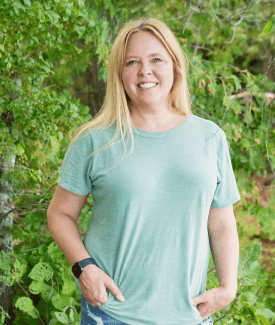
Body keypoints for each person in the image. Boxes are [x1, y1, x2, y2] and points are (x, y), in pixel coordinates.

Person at [47, 18, 240, 325]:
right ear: (119, 74)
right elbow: (59, 214)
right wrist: (84, 266)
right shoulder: (95, 139)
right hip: (112, 314)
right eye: (132, 62)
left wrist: (228, 288)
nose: (144, 71)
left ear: (175, 67)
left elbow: (221, 223)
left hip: (190, 315)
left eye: (156, 60)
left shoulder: (209, 137)